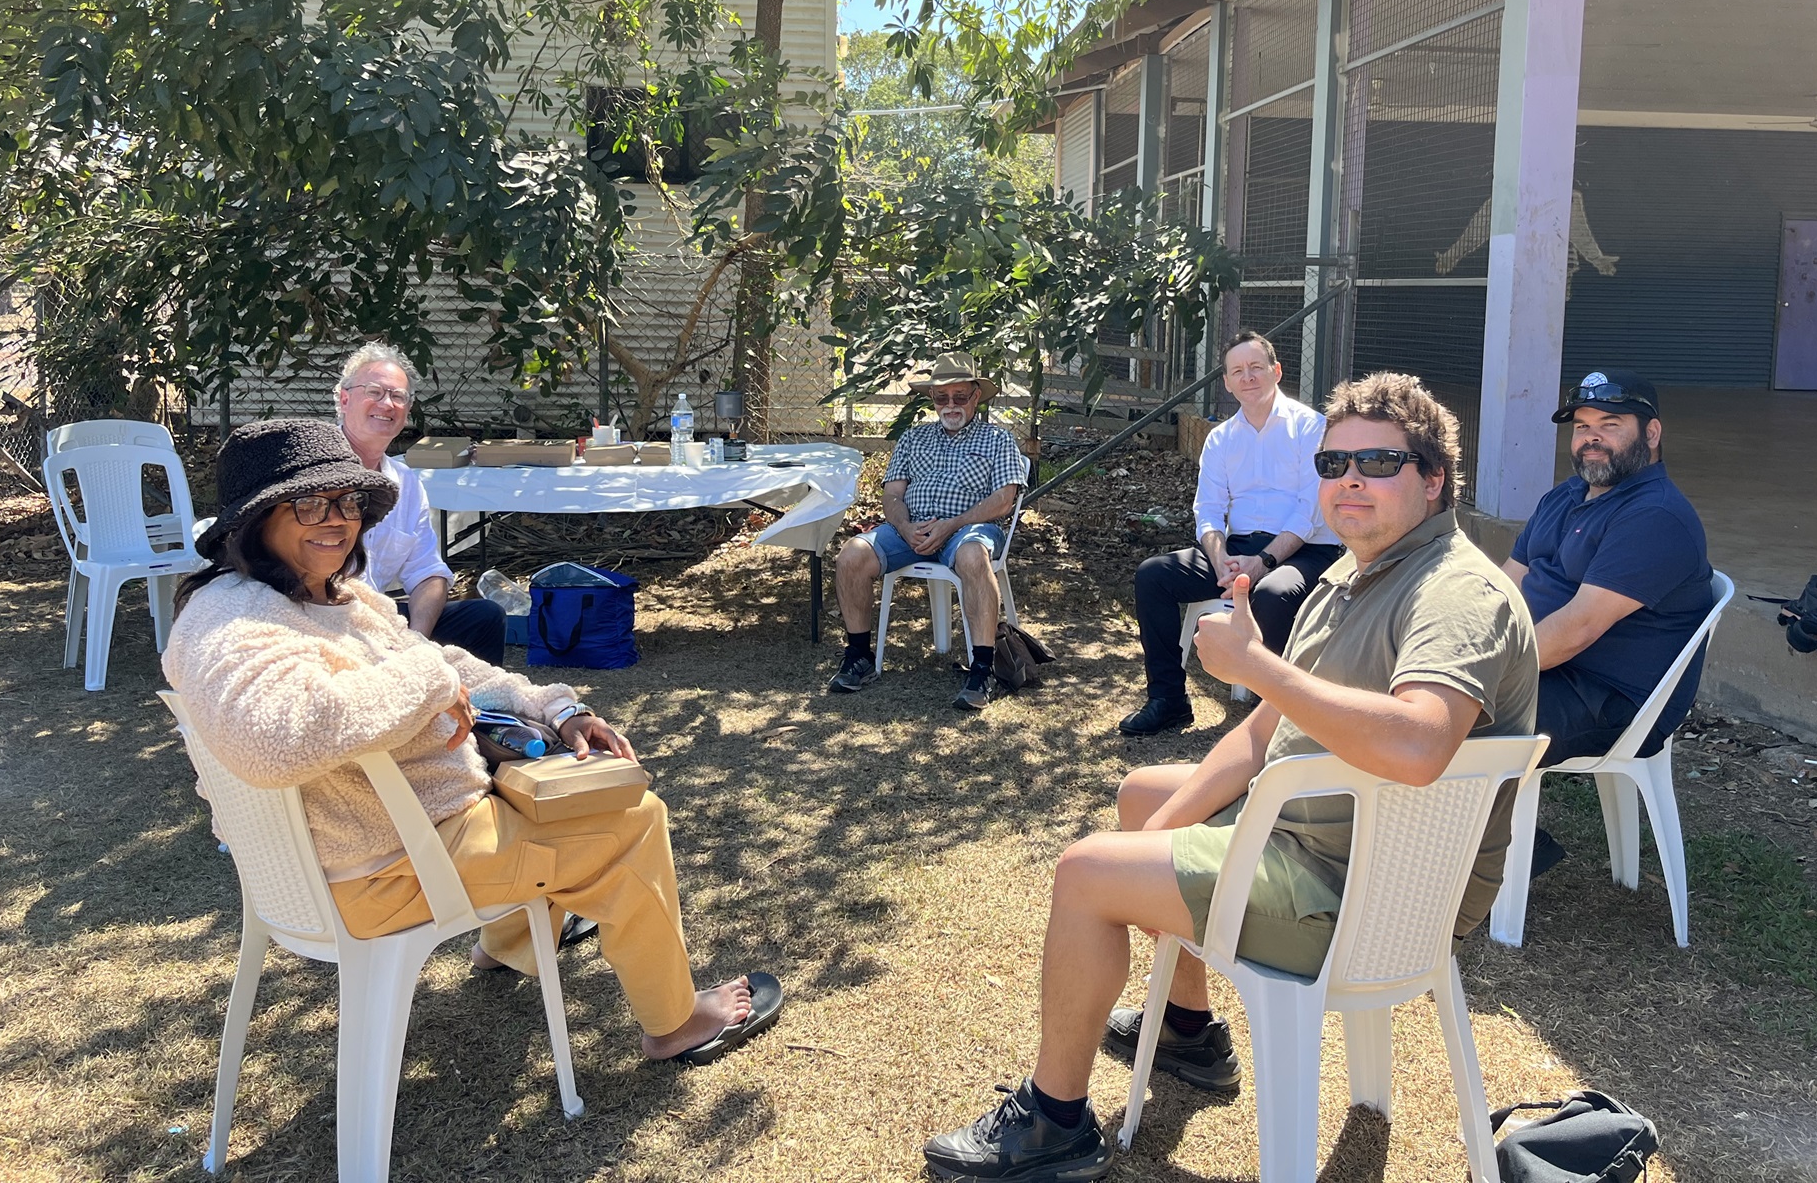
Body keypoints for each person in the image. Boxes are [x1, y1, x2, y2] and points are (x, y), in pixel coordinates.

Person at [921, 373, 1536, 1183]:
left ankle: (1056, 1124)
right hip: (1328, 840)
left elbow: (1420, 748)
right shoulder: (1357, 576)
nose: (1348, 480)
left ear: (1432, 480)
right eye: (1332, 464)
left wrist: (1255, 666)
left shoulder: (1453, 592)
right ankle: (1188, 1029)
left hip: (1369, 891)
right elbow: (1260, 734)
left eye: (1378, 462)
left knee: (1085, 873)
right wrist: (1157, 827)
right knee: (1144, 797)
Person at [163, 419, 782, 1064]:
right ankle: (676, 1022)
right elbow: (278, 740)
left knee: (551, 796)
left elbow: (444, 664)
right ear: (254, 519)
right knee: (633, 820)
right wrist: (425, 678)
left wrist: (555, 708)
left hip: (410, 839)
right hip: (387, 869)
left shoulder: (329, 595)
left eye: (347, 501)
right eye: (309, 503)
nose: (337, 519)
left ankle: (508, 942)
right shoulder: (231, 620)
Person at [1121, 331, 1342, 736]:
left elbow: (1308, 513)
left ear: (1276, 371)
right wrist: (1220, 558)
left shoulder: (1313, 428)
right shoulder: (1221, 438)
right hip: (1238, 549)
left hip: (1306, 549)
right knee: (1153, 575)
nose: (1248, 377)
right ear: (1226, 382)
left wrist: (1263, 562)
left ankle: (1273, 711)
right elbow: (1207, 510)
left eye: (1256, 367)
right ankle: (1167, 700)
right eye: (1237, 371)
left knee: (1272, 593)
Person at [1502, 370, 1713, 774]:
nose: (1590, 438)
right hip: (1548, 670)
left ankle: (1499, 839)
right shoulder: (1564, 495)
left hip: (1604, 698)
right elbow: (1504, 586)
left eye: (1609, 425)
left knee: (1445, 721)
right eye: (1582, 426)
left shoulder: (1654, 517)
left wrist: (1482, 670)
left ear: (1651, 434)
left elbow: (1576, 629)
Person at [828, 352, 1031, 711]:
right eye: (941, 398)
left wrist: (950, 525)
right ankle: (858, 657)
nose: (950, 405)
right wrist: (905, 528)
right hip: (912, 529)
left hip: (968, 528)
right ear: (933, 400)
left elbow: (1004, 499)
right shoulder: (913, 438)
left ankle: (982, 669)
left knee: (972, 556)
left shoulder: (998, 439)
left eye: (960, 396)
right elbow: (892, 494)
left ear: (976, 396)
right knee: (852, 554)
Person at [334, 342, 507, 665]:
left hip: (383, 623)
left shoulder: (406, 483)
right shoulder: (314, 469)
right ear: (345, 399)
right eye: (374, 392)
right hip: (323, 619)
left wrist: (416, 641)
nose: (387, 404)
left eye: (398, 396)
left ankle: (474, 713)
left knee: (484, 617)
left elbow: (428, 573)